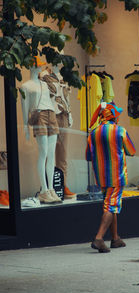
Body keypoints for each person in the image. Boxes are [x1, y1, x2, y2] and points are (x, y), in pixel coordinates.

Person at [86, 101, 136, 253]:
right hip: (116, 176)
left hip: (101, 177)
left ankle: (115, 239)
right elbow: (131, 151)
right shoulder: (119, 131)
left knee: (111, 204)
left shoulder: (93, 133)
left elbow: (88, 156)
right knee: (111, 206)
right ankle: (99, 238)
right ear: (114, 117)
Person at [20, 57, 62, 204]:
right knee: (43, 153)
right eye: (37, 66)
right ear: (31, 67)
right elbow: (25, 108)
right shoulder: (25, 86)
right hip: (39, 115)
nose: (39, 68)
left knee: (51, 154)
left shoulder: (45, 84)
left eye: (40, 66)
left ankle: (50, 189)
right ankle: (43, 190)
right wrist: (25, 126)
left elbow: (51, 101)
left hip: (51, 114)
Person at [39, 65, 76, 199]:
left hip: (63, 115)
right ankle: (48, 187)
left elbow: (66, 98)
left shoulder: (64, 76)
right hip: (50, 114)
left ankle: (62, 185)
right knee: (47, 153)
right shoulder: (43, 75)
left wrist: (70, 114)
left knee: (62, 153)